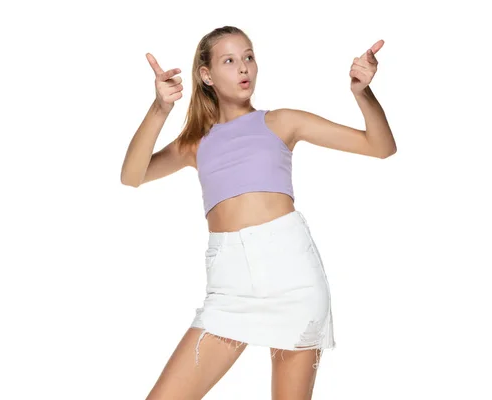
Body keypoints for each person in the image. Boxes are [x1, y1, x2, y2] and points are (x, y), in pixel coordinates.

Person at [121, 26, 396, 400]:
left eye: (248, 57)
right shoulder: (193, 143)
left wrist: (363, 94)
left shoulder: (283, 122)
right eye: (229, 61)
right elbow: (132, 176)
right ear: (206, 75)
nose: (243, 68)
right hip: (230, 284)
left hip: (293, 275)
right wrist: (159, 109)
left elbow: (380, 147)